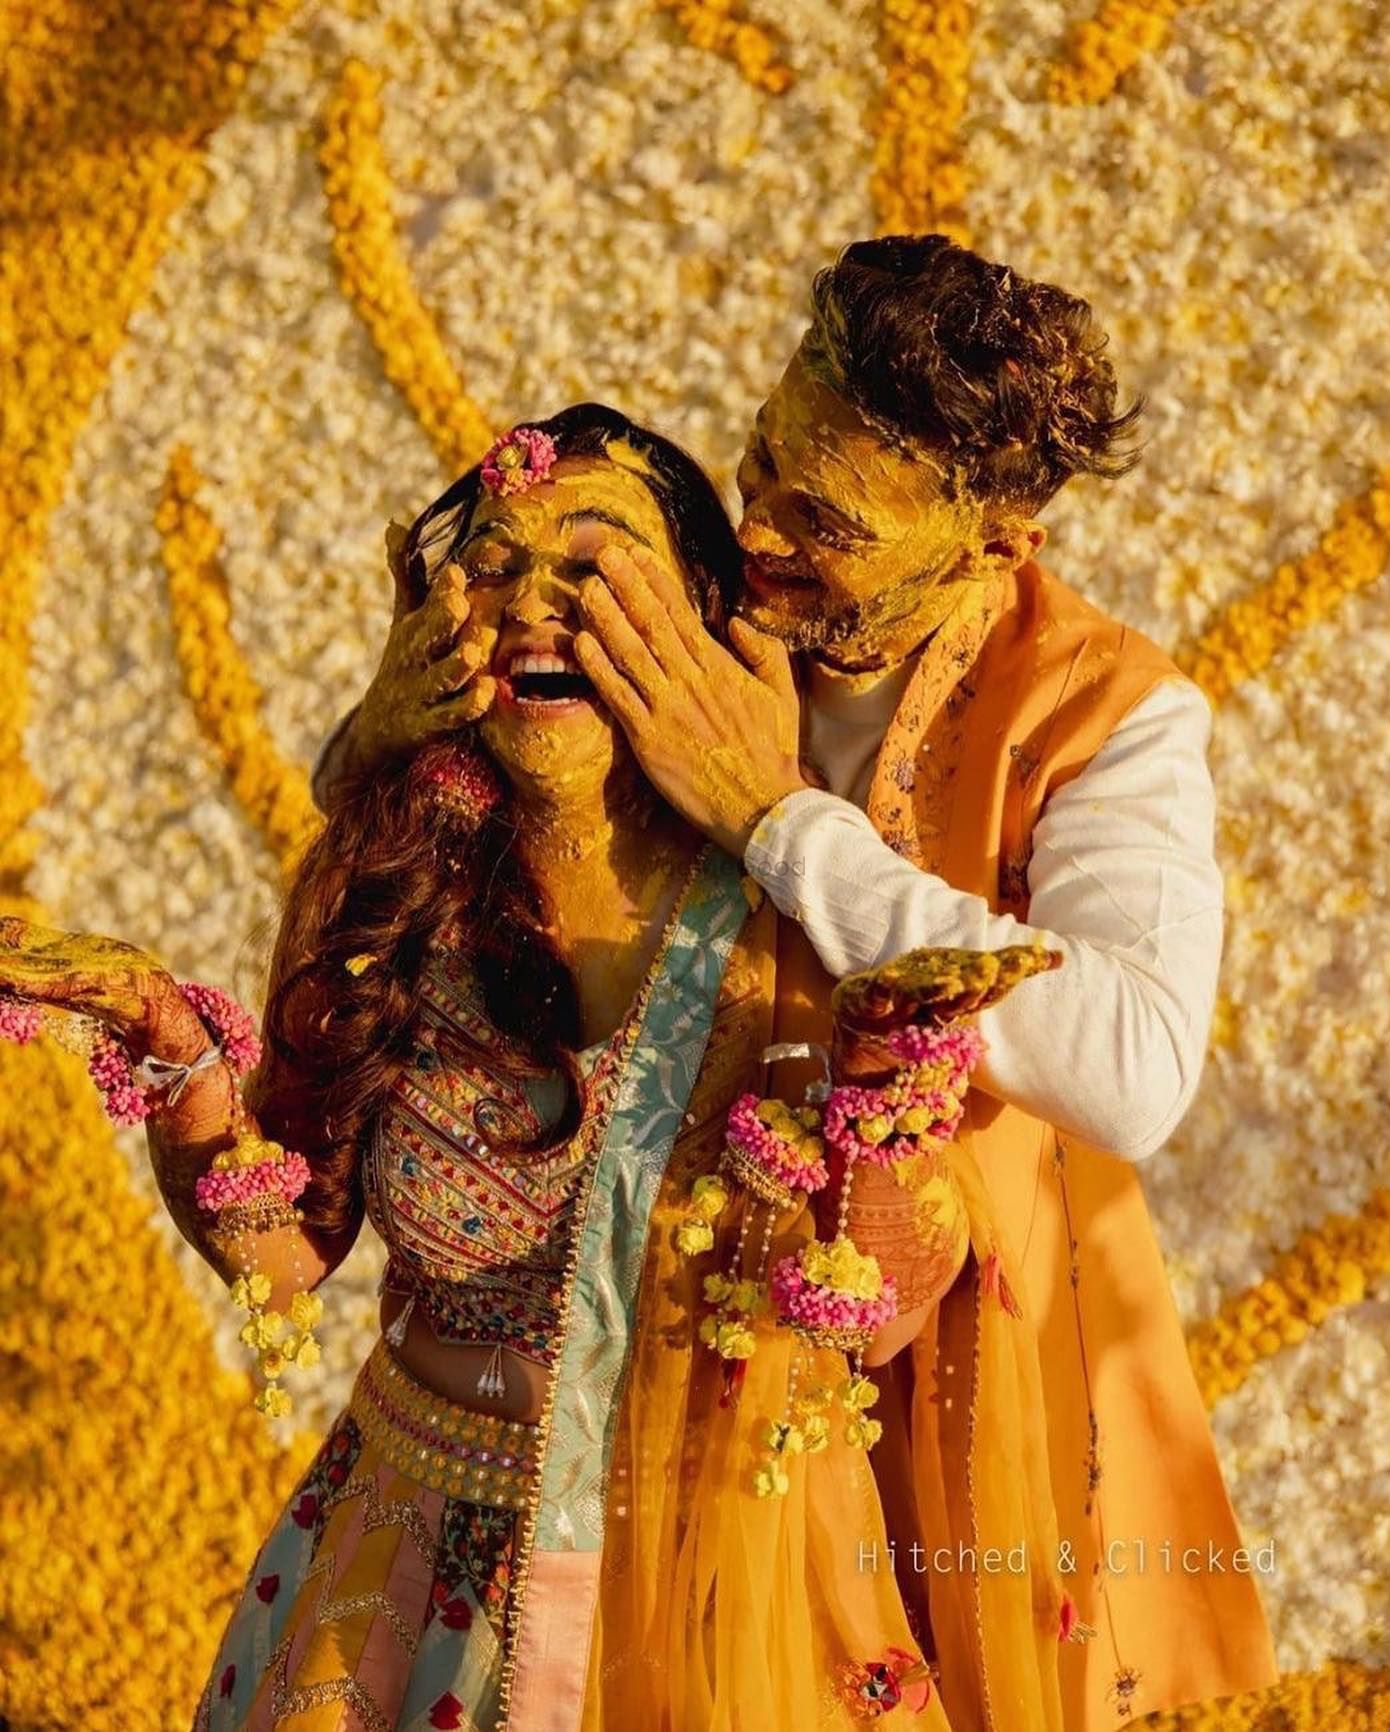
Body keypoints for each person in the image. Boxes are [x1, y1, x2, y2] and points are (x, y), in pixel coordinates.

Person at [313, 239, 1279, 1730]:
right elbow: (471, 782)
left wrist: (774, 820)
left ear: (994, 538)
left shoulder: (1108, 715)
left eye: (820, 517)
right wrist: (365, 740)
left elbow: (1132, 1070)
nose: (755, 525)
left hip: (953, 1357)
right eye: (763, 457)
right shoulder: (713, 605)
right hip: (670, 1340)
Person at [0, 403, 1081, 1731]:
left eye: (596, 569)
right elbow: (285, 1248)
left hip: (717, 1608)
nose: (534, 605)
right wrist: (171, 1056)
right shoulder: (393, 873)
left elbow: (876, 1311)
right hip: (402, 1607)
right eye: (500, 563)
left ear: (698, 622)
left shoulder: (803, 892)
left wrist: (884, 1079)